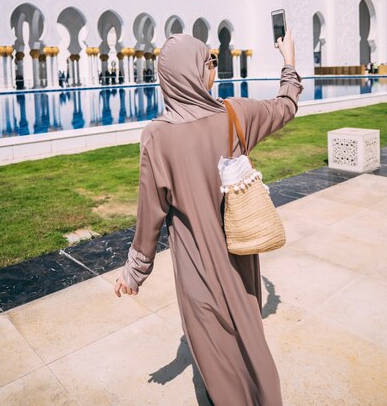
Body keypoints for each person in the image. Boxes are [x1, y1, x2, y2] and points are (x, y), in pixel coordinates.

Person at [114, 31, 303, 405]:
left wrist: (134, 273)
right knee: (250, 339)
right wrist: (289, 62)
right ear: (195, 73)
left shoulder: (158, 137)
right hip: (239, 258)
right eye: (209, 62)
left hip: (196, 270)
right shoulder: (235, 114)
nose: (213, 68)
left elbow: (150, 215)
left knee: (216, 358)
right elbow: (286, 106)